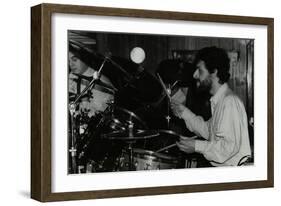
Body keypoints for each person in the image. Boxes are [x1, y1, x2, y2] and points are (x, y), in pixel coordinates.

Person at [171, 46, 252, 167]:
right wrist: (184, 113)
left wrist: (196, 146)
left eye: (200, 70)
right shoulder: (220, 100)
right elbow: (209, 131)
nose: (195, 75)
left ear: (214, 71)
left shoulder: (229, 102)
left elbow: (229, 147)